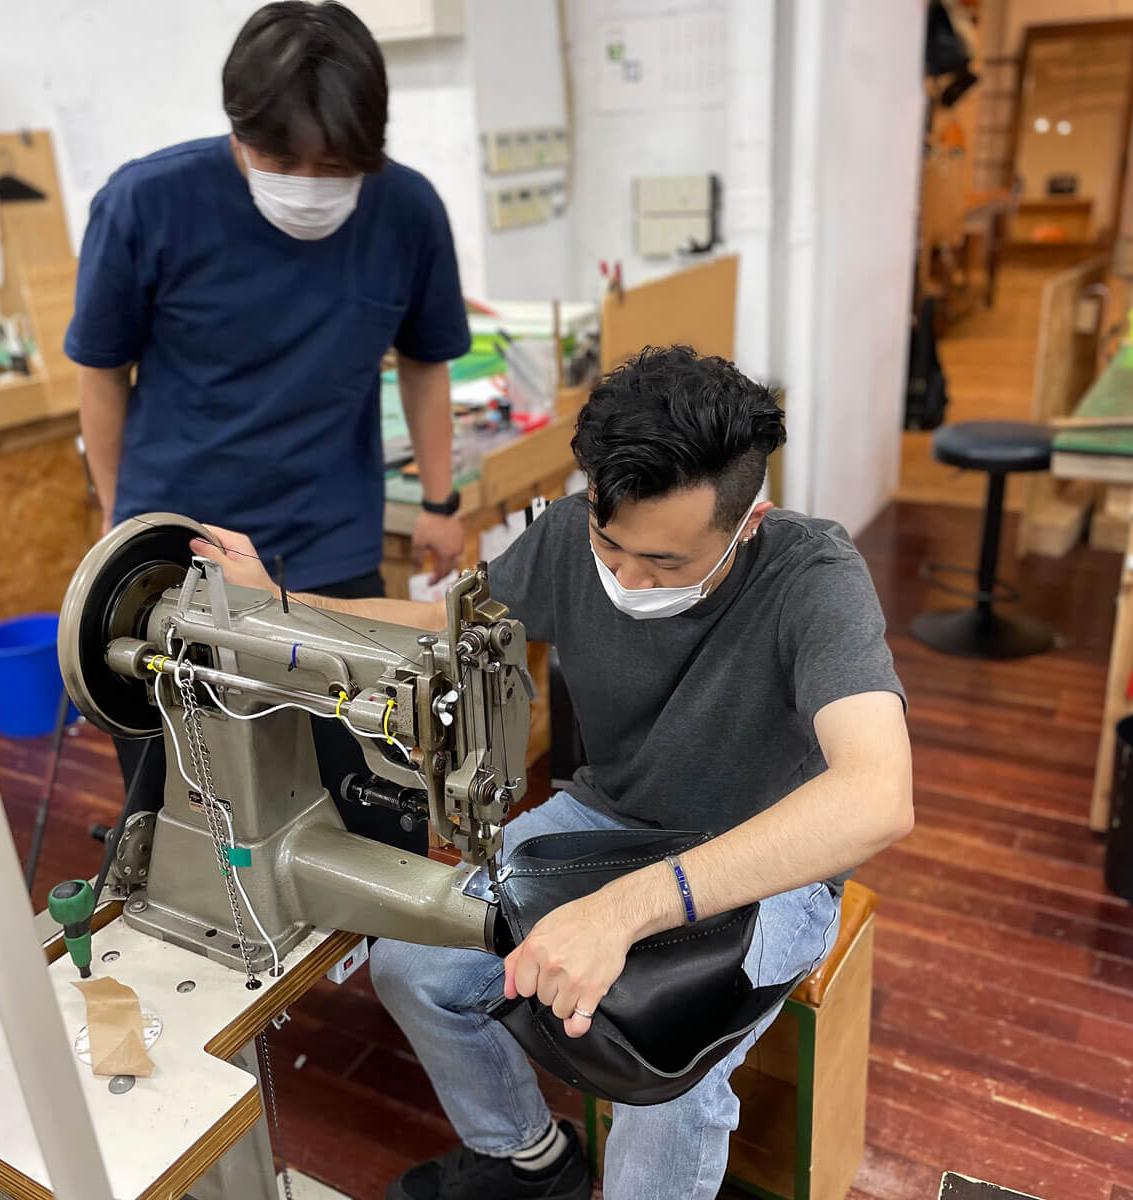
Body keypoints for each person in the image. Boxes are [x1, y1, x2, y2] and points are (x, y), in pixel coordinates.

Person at [191, 346, 914, 1200]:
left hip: (764, 864)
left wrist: (626, 908)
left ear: (747, 523)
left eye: (665, 565)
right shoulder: (573, 535)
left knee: (663, 1082)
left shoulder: (813, 576)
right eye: (611, 544)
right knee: (410, 964)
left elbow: (877, 795)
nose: (626, 578)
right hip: (607, 819)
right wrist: (271, 605)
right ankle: (530, 1157)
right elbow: (438, 623)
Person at [64, 1, 470, 849]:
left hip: (331, 549)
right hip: (177, 559)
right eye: (284, 161)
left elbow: (425, 360)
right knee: (186, 823)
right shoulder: (145, 203)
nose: (309, 184)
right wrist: (116, 517)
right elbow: (100, 372)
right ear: (238, 130)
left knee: (368, 804)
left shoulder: (408, 211)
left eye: (338, 166)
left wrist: (440, 501)